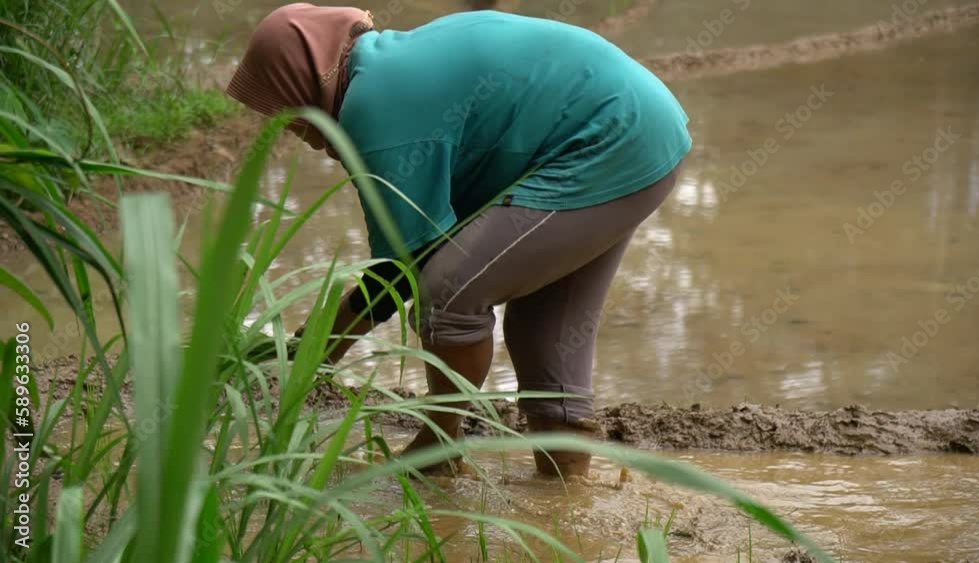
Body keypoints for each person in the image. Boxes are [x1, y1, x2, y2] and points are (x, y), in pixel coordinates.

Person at [226, 4, 691, 477]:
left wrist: (313, 353)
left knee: (449, 292)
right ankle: (565, 490)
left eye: (283, 111)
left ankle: (441, 448)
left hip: (604, 143)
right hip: (641, 132)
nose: (290, 130)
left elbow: (404, 268)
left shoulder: (375, 106)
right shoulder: (392, 63)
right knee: (543, 333)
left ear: (302, 82)